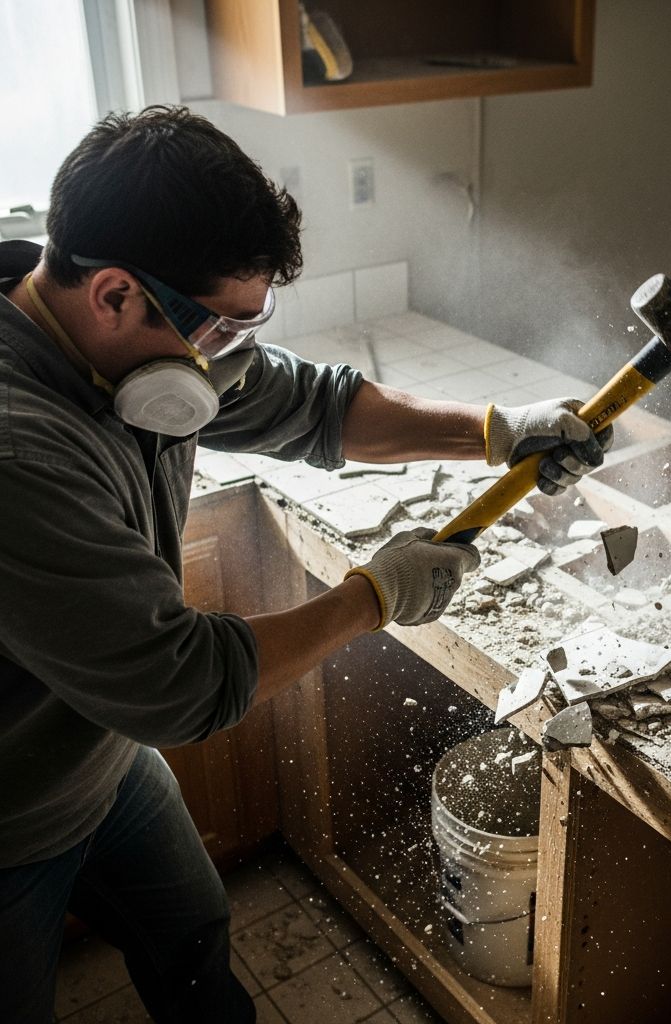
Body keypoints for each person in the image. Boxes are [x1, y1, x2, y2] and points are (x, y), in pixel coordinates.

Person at [0, 105, 612, 1024]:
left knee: (193, 933)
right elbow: (181, 683)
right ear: (117, 293)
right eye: (216, 333)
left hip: (101, 756)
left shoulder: (117, 340)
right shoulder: (21, 454)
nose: (227, 363)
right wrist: (376, 596)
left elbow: (315, 406)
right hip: (9, 820)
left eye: (248, 328)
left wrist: (496, 432)